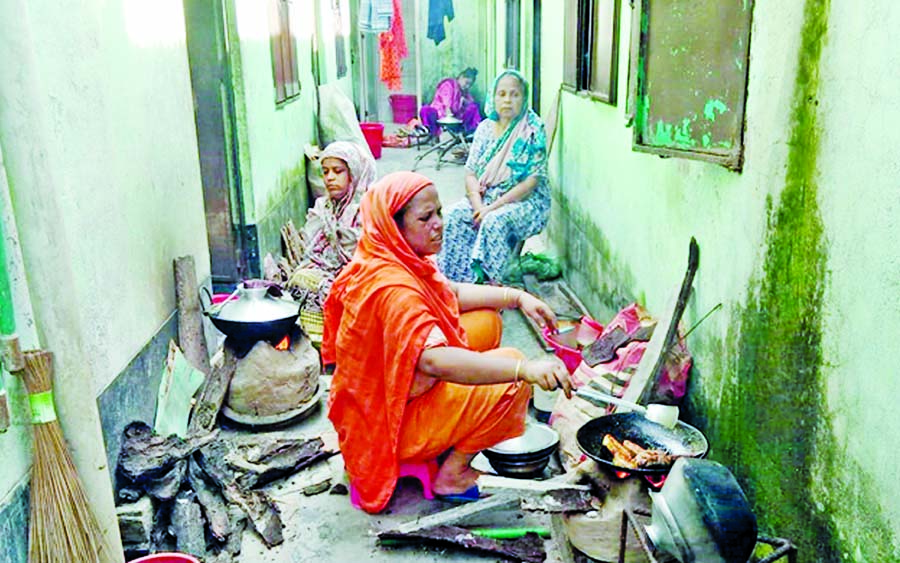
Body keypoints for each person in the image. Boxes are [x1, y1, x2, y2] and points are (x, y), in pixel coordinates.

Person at [322, 171, 572, 514]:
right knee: (513, 381)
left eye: (438, 212)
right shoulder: (392, 289)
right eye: (425, 218)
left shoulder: (391, 257)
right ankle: (452, 475)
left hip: (389, 397)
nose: (438, 224)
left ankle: (458, 418)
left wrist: (516, 297)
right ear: (395, 227)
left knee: (486, 318)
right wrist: (524, 368)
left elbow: (449, 292)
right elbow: (434, 361)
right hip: (389, 427)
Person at [437, 69, 549, 285]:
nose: (507, 100)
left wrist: (491, 208)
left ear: (524, 98)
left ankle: (490, 287)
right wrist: (479, 205)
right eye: (502, 94)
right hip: (484, 198)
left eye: (515, 94)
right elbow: (470, 173)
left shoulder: (533, 129)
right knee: (451, 216)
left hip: (525, 201)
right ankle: (455, 283)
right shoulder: (484, 129)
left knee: (493, 222)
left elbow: (532, 182)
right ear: (493, 97)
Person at [285, 141, 376, 314]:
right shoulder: (324, 207)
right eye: (325, 172)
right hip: (329, 278)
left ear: (354, 173)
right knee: (300, 280)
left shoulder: (370, 209)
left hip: (361, 281)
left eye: (338, 171)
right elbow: (311, 252)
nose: (330, 178)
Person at [419, 67, 483, 139]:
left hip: (455, 119)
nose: (467, 86)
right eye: (466, 83)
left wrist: (464, 102)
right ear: (461, 77)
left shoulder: (463, 91)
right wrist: (449, 120)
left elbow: (471, 102)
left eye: (470, 85)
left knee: (473, 107)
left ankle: (468, 134)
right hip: (439, 117)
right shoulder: (448, 85)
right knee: (426, 110)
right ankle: (433, 135)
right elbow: (447, 105)